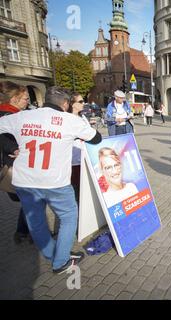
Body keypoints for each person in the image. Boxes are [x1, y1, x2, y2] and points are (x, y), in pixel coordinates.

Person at [0, 86, 102, 274]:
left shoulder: (23, 116)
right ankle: (61, 261)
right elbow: (96, 139)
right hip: (55, 182)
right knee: (69, 217)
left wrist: (12, 148)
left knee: (36, 222)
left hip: (25, 181)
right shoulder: (70, 121)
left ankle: (52, 255)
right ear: (65, 103)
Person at [0, 81, 31, 244]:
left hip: (18, 165)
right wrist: (15, 150)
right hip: (14, 166)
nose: (28, 101)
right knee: (32, 200)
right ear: (14, 99)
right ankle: (34, 233)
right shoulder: (7, 115)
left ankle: (21, 232)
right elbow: (4, 139)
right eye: (25, 99)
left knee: (28, 200)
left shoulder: (13, 114)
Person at [69, 92, 90, 203]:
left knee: (85, 189)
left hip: (85, 157)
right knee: (76, 190)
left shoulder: (82, 116)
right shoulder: (67, 118)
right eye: (81, 101)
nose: (84, 103)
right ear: (72, 104)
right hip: (74, 160)